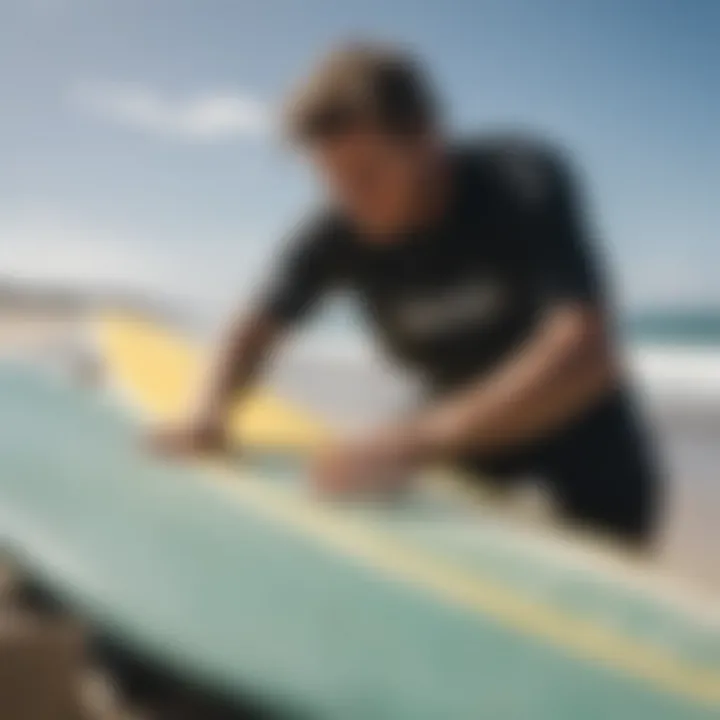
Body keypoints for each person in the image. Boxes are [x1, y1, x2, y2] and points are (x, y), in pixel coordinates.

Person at [152, 43, 660, 548]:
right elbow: (252, 331)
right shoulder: (337, 231)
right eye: (332, 181)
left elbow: (586, 349)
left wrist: (414, 440)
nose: (351, 200)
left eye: (367, 175)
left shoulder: (517, 182)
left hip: (579, 425)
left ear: (427, 139)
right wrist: (208, 410)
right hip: (458, 428)